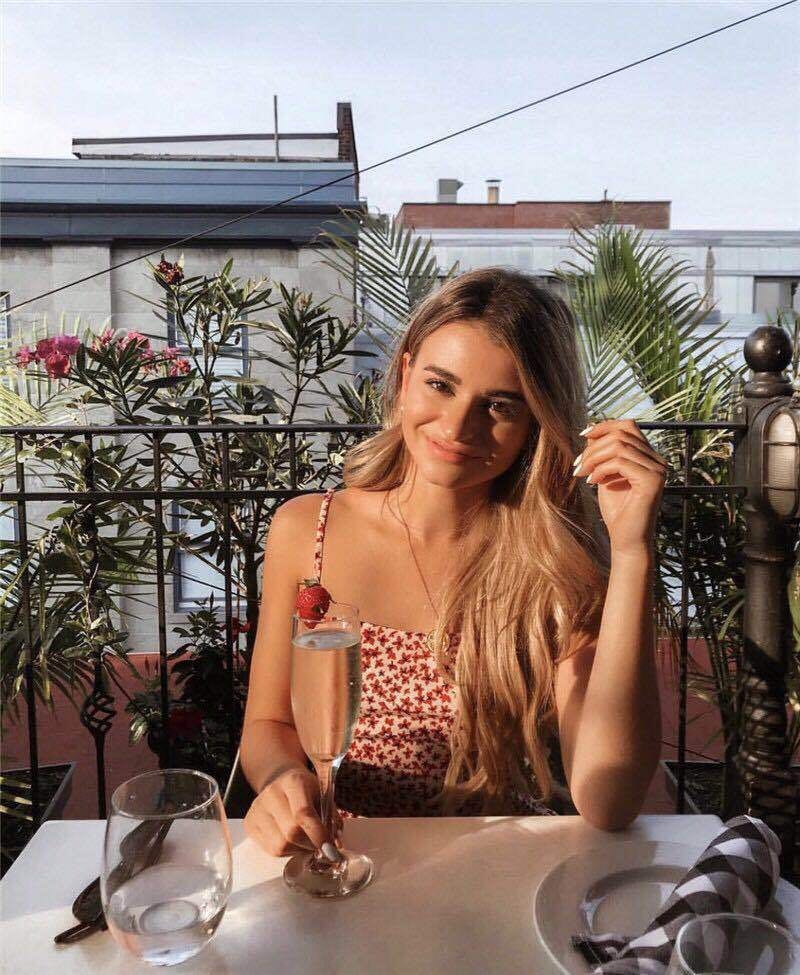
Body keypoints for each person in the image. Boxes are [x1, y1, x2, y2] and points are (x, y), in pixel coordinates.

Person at [240, 267, 667, 857]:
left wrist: (632, 552)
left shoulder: (553, 569)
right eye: (441, 385)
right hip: (343, 860)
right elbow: (268, 726)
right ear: (404, 376)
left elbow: (610, 798)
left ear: (535, 423)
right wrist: (283, 781)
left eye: (499, 405)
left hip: (492, 870)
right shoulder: (305, 530)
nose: (458, 426)